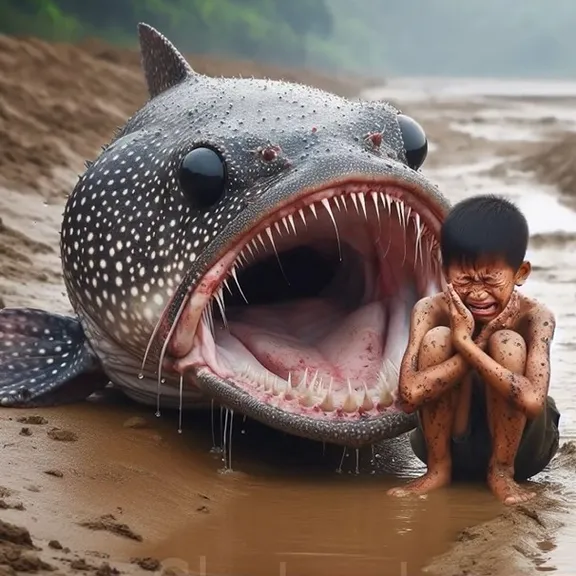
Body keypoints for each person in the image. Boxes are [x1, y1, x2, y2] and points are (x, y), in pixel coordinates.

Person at [387, 194, 560, 505]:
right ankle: (438, 469)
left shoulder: (536, 317)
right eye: (464, 280)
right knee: (439, 338)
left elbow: (533, 401)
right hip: (451, 442)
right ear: (445, 271)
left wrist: (470, 344)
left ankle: (501, 472)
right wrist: (468, 344)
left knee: (508, 343)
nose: (478, 293)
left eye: (490, 279)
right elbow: (410, 393)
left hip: (524, 452)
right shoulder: (430, 310)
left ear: (520, 273)